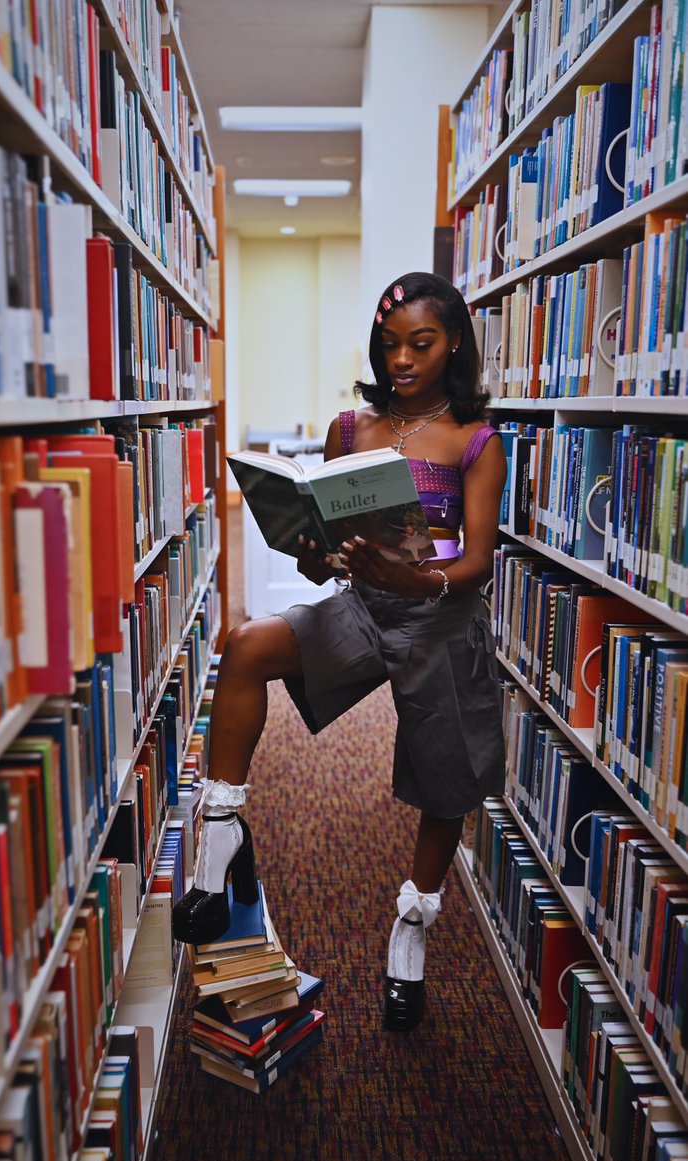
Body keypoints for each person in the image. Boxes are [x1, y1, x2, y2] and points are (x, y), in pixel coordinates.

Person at [172, 271, 507, 1033]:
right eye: (390, 346)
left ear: (453, 342)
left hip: (440, 620)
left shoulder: (476, 440)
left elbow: (477, 563)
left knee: (445, 779)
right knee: (247, 644)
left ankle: (410, 934)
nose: (402, 361)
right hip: (364, 604)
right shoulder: (348, 432)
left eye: (420, 344)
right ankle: (219, 841)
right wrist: (315, 555)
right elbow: (319, 552)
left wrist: (414, 577)